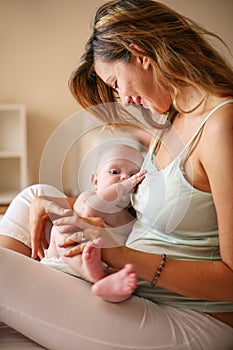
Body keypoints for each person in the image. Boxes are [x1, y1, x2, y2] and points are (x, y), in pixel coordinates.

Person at [0, 1, 233, 349]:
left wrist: (118, 255)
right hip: (134, 290)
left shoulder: (220, 127)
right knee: (33, 196)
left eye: (115, 82)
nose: (123, 99)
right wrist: (67, 211)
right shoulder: (169, 121)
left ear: (138, 52)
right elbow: (149, 216)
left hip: (193, 320)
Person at [40, 143, 146, 302]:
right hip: (65, 265)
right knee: (64, 227)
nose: (125, 178)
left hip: (105, 273)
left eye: (133, 175)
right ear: (95, 181)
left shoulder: (132, 220)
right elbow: (89, 212)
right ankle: (92, 273)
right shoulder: (87, 198)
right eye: (114, 172)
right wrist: (124, 187)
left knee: (126, 279)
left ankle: (109, 287)